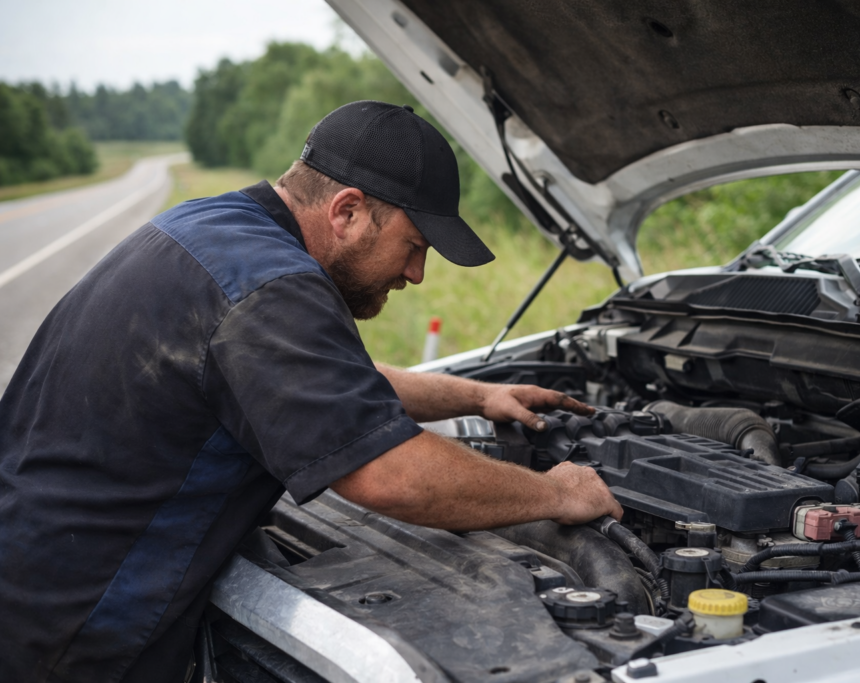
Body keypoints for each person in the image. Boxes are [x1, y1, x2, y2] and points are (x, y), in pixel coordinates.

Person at [0, 101, 622, 683]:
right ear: (347, 211)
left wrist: (477, 397)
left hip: (34, 575)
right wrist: (555, 492)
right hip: (75, 632)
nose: (416, 274)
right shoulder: (272, 287)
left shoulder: (211, 227)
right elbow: (390, 476)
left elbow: (328, 385)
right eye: (414, 247)